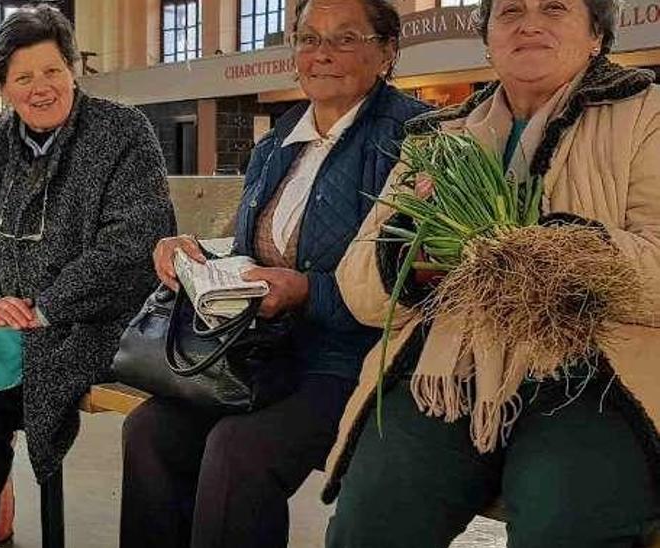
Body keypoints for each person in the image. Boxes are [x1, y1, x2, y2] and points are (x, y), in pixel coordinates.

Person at [323, 0, 660, 544]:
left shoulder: (648, 114)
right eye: (509, 12)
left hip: (594, 377)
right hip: (448, 373)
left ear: (597, 35)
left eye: (554, 8)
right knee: (367, 527)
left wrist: (556, 249)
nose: (529, 24)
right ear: (488, 39)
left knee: (564, 525)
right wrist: (421, 255)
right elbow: (359, 281)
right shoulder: (438, 136)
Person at [119, 0, 430, 545]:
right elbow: (251, 250)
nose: (322, 54)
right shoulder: (278, 141)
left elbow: (415, 278)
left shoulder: (414, 139)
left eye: (345, 39)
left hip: (355, 361)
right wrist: (196, 258)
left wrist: (310, 291)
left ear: (386, 52)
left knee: (238, 451)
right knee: (148, 431)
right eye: (309, 39)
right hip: (262, 353)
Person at [0, 5, 175, 541]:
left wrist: (43, 308)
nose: (40, 88)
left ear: (74, 69)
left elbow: (133, 241)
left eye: (52, 71)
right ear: (4, 88)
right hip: (7, 326)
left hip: (96, 327)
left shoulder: (122, 132)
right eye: (23, 77)